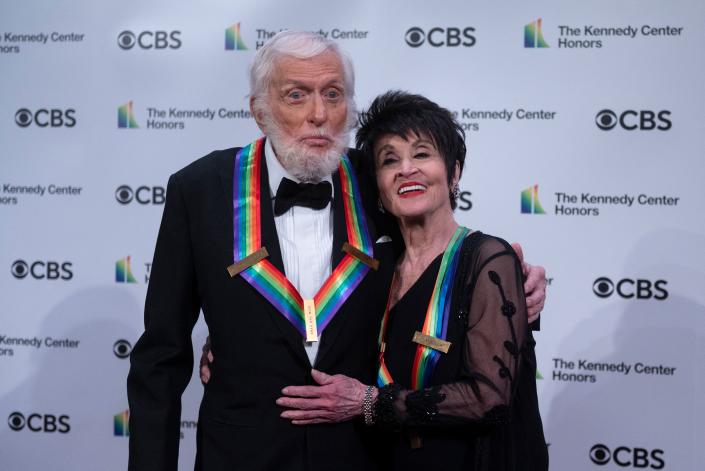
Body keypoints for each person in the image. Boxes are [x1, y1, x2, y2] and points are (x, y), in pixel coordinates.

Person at [128, 30, 546, 471]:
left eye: (333, 94)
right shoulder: (199, 190)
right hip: (240, 455)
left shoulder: (380, 179)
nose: (319, 114)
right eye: (296, 95)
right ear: (259, 111)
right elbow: (162, 355)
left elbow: (439, 266)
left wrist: (519, 291)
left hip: (362, 454)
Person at [274, 91, 549, 470]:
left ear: (453, 172)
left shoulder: (487, 260)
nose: (406, 169)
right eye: (390, 160)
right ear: (380, 188)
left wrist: (368, 402)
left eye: (422, 154)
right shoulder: (374, 267)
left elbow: (490, 397)